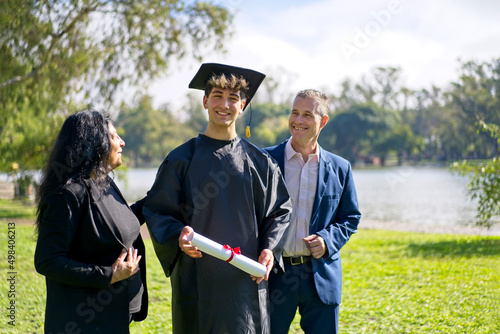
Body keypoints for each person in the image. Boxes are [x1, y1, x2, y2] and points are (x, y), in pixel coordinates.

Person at [143, 63, 291, 333]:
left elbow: (280, 211)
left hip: (247, 282)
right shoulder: (181, 159)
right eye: (217, 96)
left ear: (243, 105)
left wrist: (269, 248)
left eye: (233, 98)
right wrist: (178, 235)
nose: (225, 104)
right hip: (197, 281)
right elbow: (157, 210)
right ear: (205, 101)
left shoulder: (261, 163)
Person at [34, 109, 148, 333]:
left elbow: (117, 222)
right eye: (114, 136)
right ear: (95, 142)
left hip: (114, 315)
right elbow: (48, 260)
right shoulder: (67, 194)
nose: (122, 142)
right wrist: (110, 275)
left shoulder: (102, 181)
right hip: (83, 321)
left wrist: (160, 196)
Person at [265, 89, 362, 334]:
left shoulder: (341, 168)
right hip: (274, 276)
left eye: (307, 115)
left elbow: (350, 217)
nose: (298, 121)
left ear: (323, 122)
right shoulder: (264, 160)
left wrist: (327, 240)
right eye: (294, 113)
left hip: (321, 276)